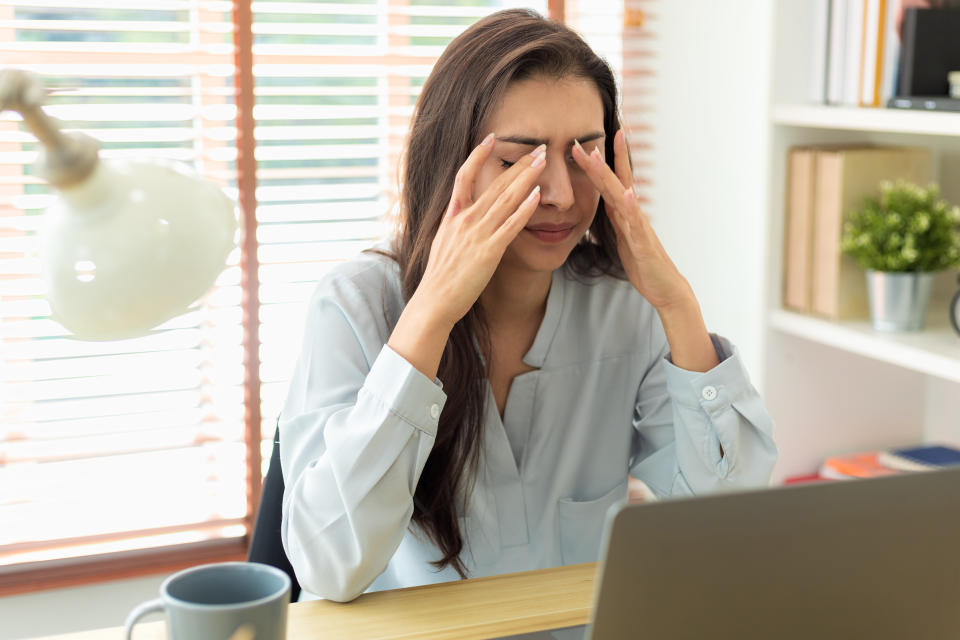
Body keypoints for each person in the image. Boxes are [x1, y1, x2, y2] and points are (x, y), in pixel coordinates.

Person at [279, 8, 778, 603]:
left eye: (585, 155)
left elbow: (729, 521)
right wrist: (431, 314)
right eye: (520, 163)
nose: (562, 196)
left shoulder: (625, 311)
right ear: (449, 161)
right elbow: (328, 567)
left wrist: (677, 306)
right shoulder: (354, 306)